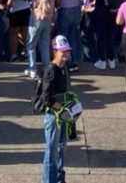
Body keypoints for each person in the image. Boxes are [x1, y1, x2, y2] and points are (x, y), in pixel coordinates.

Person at [40, 35, 80, 183]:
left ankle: (59, 179)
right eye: (63, 51)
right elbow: (46, 98)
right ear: (54, 51)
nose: (66, 54)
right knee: (51, 152)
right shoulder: (51, 70)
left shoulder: (64, 67)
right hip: (53, 116)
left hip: (62, 115)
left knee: (60, 149)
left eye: (67, 51)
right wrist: (62, 108)